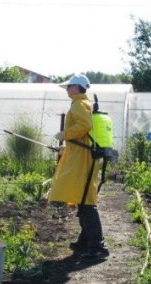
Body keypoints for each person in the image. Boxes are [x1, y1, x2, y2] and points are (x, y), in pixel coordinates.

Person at [48, 74, 109, 262]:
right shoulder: (83, 104)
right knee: (82, 198)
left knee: (86, 200)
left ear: (77, 87)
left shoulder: (79, 105)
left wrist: (65, 134)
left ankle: (98, 246)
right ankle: (85, 241)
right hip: (83, 156)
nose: (67, 89)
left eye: (69, 86)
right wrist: (67, 147)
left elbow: (85, 125)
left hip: (83, 159)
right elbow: (85, 136)